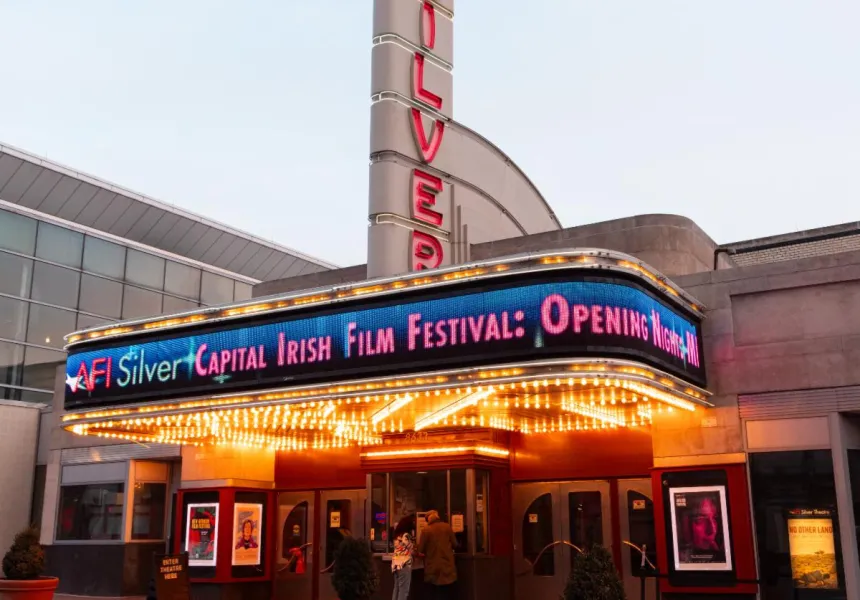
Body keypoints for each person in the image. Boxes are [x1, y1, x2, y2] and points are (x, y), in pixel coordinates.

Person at [416, 510, 457, 600]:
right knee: (447, 593)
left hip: (433, 567)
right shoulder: (447, 527)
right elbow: (455, 544)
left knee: (434, 593)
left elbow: (420, 550)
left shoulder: (425, 530)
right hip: (447, 566)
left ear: (428, 520)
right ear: (437, 517)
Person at [391, 516, 415, 600]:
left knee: (396, 588)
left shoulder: (397, 535)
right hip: (404, 564)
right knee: (404, 590)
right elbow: (411, 549)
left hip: (396, 565)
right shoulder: (406, 535)